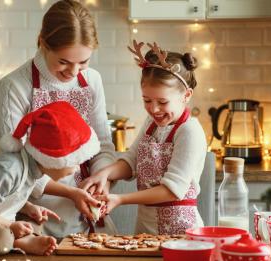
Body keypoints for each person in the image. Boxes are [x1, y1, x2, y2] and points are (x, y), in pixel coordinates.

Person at [0, 0, 116, 237]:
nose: (73, 72)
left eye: (83, 62)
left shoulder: (92, 80)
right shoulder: (15, 85)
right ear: (43, 42)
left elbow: (102, 144)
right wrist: (71, 193)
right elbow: (13, 165)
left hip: (87, 212)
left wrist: (102, 179)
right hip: (34, 214)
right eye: (63, 62)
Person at [0, 102, 102, 256]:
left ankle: (21, 239)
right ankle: (17, 242)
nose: (77, 167)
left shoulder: (32, 169)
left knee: (34, 223)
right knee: (0, 239)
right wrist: (9, 226)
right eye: (73, 161)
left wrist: (28, 207)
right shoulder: (8, 170)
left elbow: (10, 195)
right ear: (52, 159)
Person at [80, 40, 207, 235]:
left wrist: (121, 199)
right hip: (146, 230)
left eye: (162, 102)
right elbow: (131, 161)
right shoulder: (152, 124)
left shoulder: (189, 132)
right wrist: (104, 174)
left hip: (181, 232)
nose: (154, 109)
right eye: (147, 100)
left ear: (186, 95)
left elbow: (172, 191)